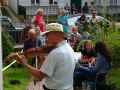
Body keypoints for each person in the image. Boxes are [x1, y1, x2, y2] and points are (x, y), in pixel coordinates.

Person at [9, 23, 76, 90]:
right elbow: (39, 50)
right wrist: (21, 54)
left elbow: (39, 76)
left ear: (57, 34)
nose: (46, 38)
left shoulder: (56, 53)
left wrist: (24, 63)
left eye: (47, 35)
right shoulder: (68, 48)